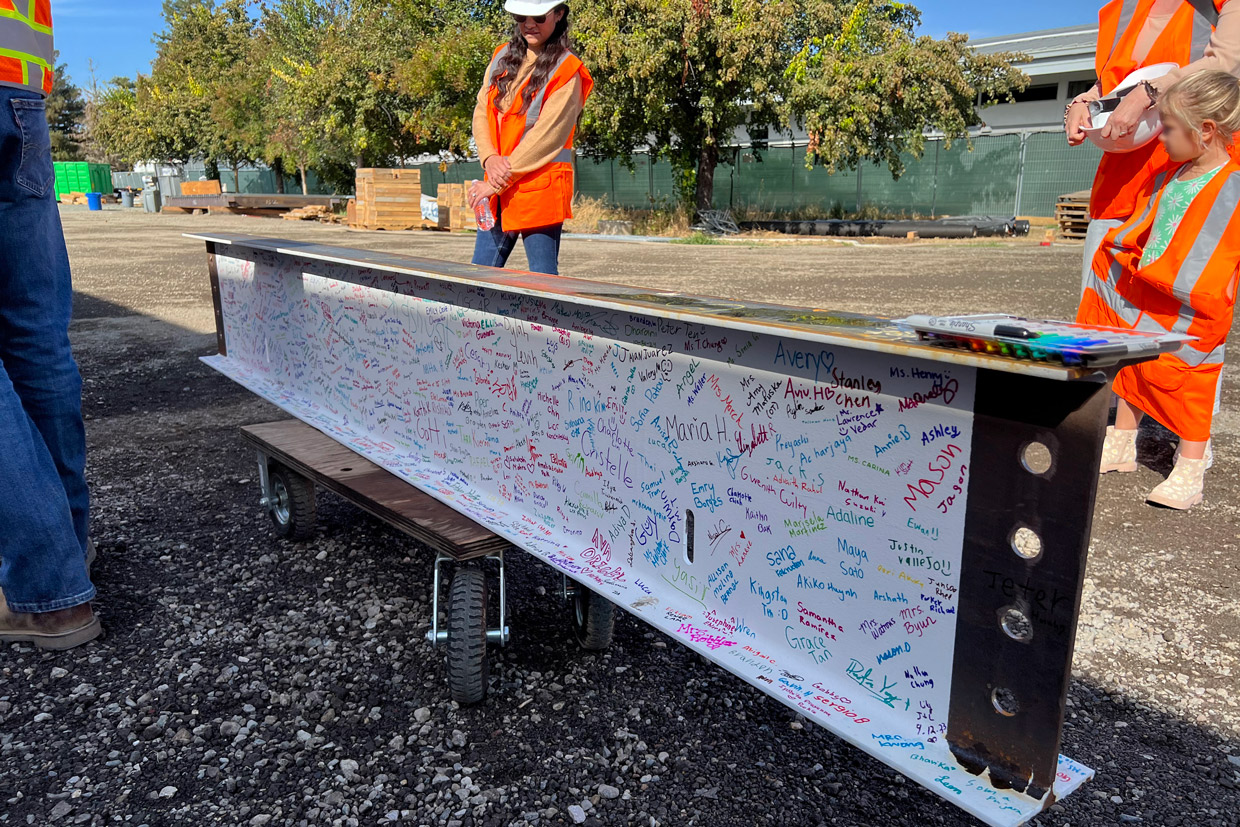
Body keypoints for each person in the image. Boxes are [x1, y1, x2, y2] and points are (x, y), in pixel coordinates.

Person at [1079, 70, 1240, 509]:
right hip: (1148, 287)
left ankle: (1189, 468)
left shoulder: (1233, 182)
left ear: (1205, 131)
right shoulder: (1171, 176)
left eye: (1169, 128)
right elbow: (1143, 225)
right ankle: (1123, 442)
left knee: (1191, 374)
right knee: (1131, 357)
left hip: (1197, 301)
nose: (1162, 137)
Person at [0, 0, 99, 648]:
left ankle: (47, 586)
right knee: (35, 331)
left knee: (35, 333)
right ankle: (69, 547)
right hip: (20, 86)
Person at [1066, 0, 1240, 294]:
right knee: (1100, 314)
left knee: (1176, 314)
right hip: (1121, 188)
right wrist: (1084, 101)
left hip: (1191, 186)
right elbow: (1114, 82)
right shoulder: (1123, 9)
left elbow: (1226, 65)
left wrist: (1150, 91)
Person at [467, 0, 594, 276]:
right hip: (497, 190)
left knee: (543, 284)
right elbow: (481, 110)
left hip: (538, 192)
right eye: (520, 16)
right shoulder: (501, 56)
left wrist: (496, 181)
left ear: (559, 14)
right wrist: (489, 159)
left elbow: (547, 136)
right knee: (477, 282)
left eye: (537, 16)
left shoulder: (566, 69)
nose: (528, 24)